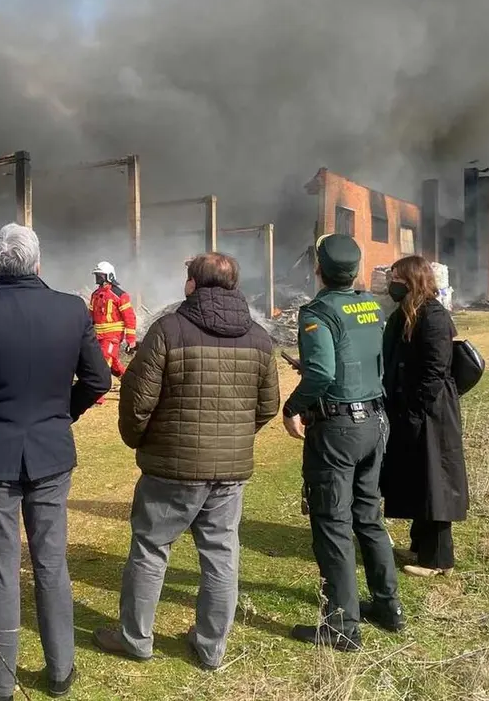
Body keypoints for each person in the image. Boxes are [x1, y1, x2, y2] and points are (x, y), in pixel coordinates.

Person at [0, 223, 112, 701]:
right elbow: (99, 381)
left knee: (1, 569)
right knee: (52, 564)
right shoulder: (71, 309)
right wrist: (62, 415)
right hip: (51, 453)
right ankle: (60, 672)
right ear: (37, 263)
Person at [92, 253, 279, 670]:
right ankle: (212, 648)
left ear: (193, 285)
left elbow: (137, 402)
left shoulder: (168, 330)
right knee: (221, 554)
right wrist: (233, 438)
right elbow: (268, 406)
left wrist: (140, 440)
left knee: (150, 549)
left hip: (170, 469)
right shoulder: (259, 338)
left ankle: (135, 639)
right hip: (229, 473)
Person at [280, 234, 404, 651]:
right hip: (374, 421)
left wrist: (292, 407)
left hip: (338, 430)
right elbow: (369, 359)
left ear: (318, 269)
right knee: (368, 517)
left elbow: (320, 375)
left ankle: (341, 626)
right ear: (355, 269)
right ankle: (388, 607)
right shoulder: (370, 304)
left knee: (333, 524)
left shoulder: (318, 311)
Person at [380, 255, 468, 577]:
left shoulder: (432, 316)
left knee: (435, 482)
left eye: (397, 278)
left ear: (412, 280)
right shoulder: (406, 313)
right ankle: (421, 546)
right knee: (421, 479)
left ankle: (437, 561)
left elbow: (435, 370)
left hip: (431, 414)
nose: (392, 284)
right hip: (414, 411)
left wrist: (416, 410)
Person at [89, 260, 137, 401]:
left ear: (109, 276)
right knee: (113, 364)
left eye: (100, 275)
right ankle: (131, 383)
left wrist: (131, 340)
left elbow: (130, 318)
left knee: (104, 360)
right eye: (97, 275)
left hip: (113, 336)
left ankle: (98, 393)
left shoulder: (120, 295)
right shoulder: (95, 294)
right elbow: (90, 316)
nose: (97, 278)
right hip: (98, 336)